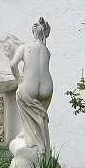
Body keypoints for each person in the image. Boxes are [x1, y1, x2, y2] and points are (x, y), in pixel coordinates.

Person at [10, 17, 53, 160]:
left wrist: (19, 81)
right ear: (45, 34)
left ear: (33, 33)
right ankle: (43, 147)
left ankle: (30, 138)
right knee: (40, 115)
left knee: (20, 96)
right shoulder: (47, 51)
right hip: (47, 88)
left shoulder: (24, 47)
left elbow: (13, 65)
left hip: (29, 87)